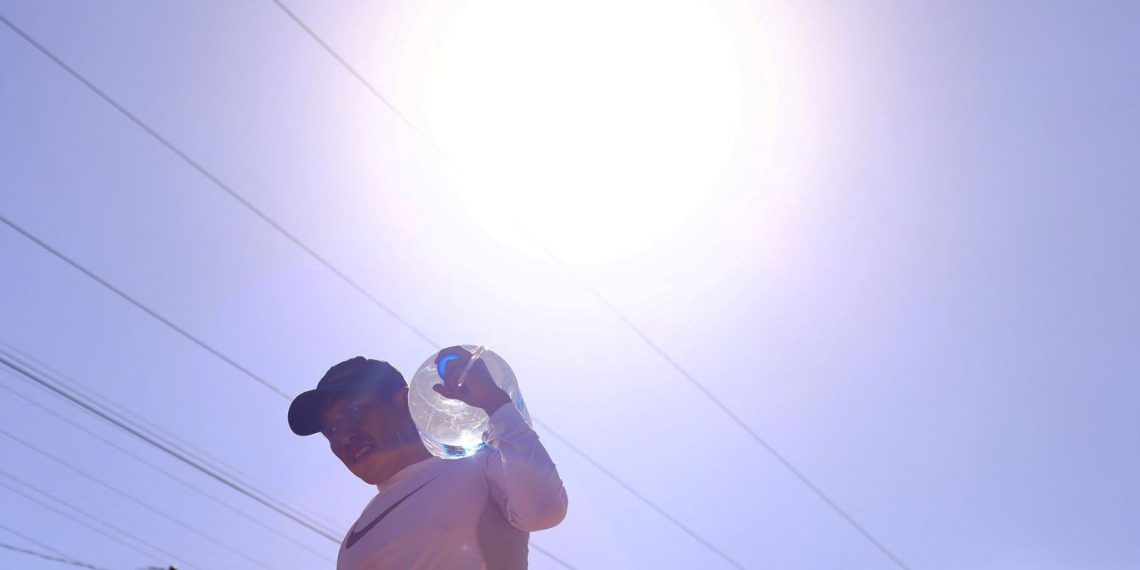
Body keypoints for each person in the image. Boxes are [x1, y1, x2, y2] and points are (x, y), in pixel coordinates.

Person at [288, 346, 568, 569]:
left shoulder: (480, 466)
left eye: (354, 412)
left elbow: (545, 510)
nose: (343, 437)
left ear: (403, 401)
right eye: (331, 429)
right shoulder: (353, 540)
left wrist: (494, 403)